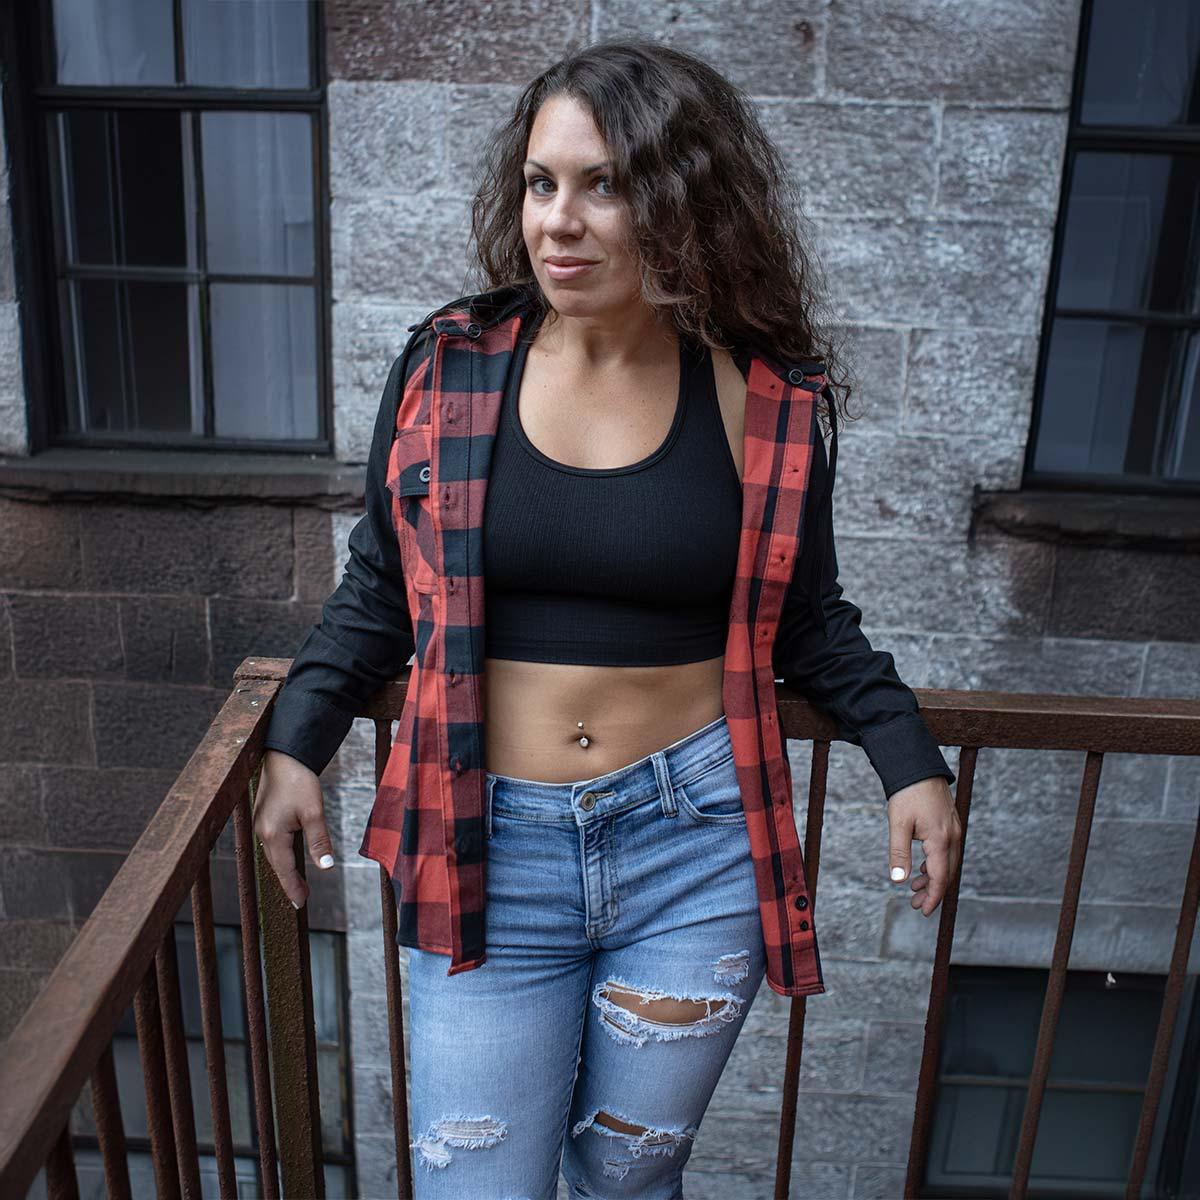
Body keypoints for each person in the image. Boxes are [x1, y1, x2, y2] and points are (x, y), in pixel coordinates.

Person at [253, 37, 962, 1200]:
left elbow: (812, 617)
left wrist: (906, 759)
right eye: (543, 183)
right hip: (488, 847)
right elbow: (382, 584)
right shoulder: (448, 369)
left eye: (604, 184)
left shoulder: (762, 398)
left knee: (625, 1185)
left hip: (695, 849)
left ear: (684, 201)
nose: (559, 221)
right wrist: (299, 733)